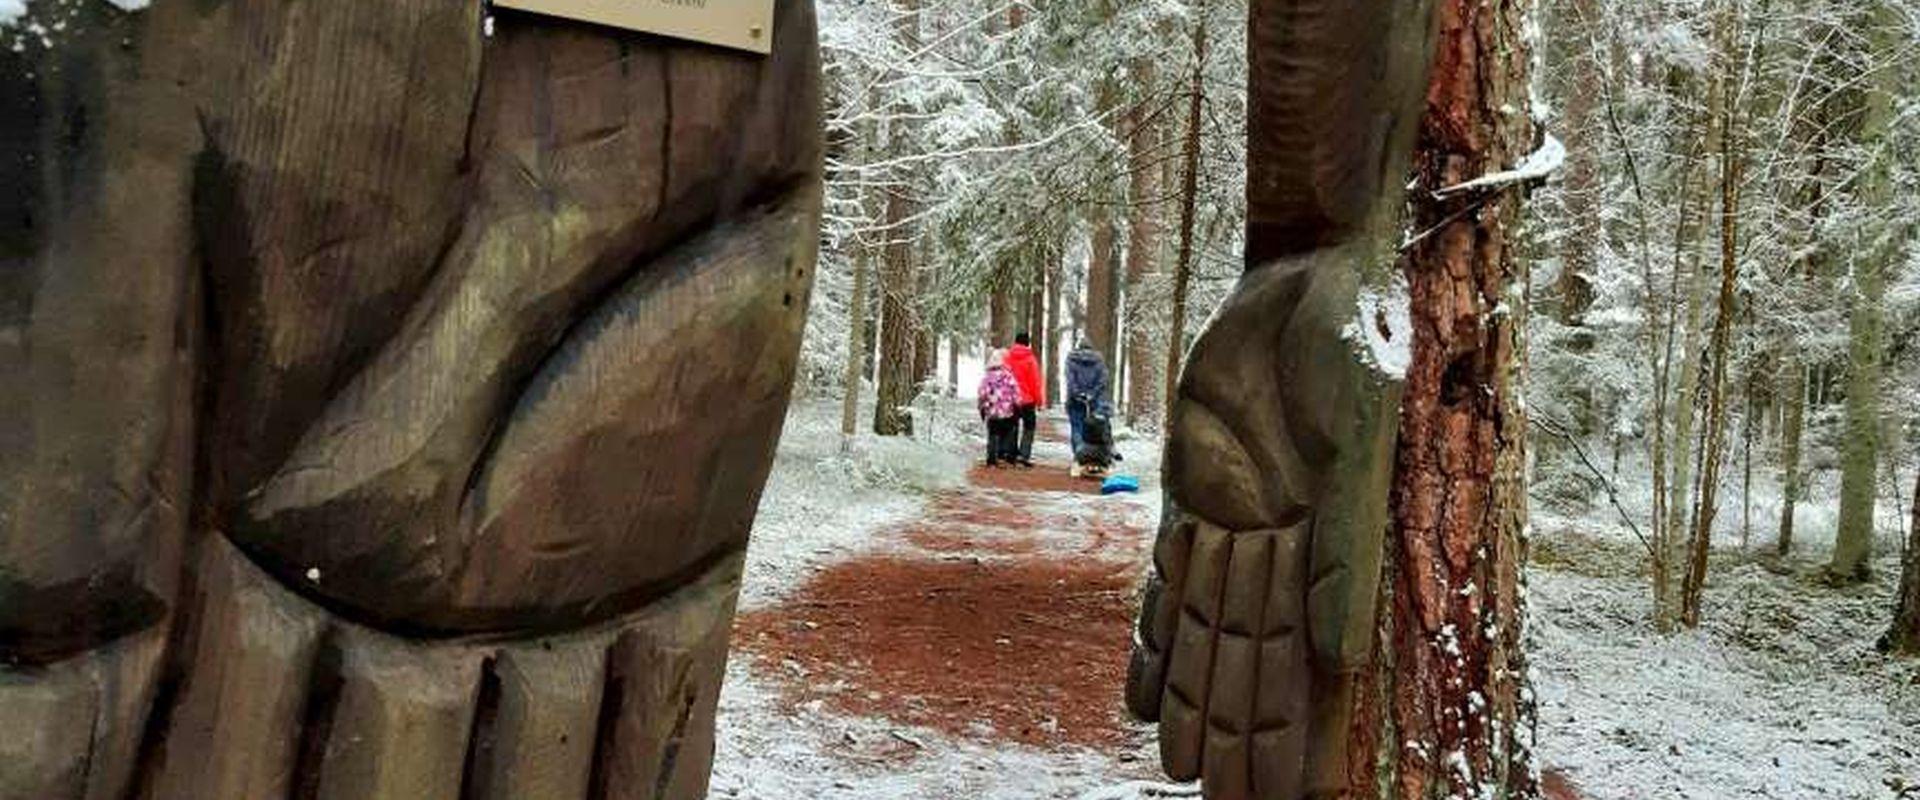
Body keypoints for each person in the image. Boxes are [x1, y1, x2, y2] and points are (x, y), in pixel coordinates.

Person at [1004, 332, 1045, 467]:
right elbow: (1035, 382)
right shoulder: (1030, 360)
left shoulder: (1007, 358)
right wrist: (1039, 401)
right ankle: (1023, 455)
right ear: (1027, 343)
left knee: (1012, 426)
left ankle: (1011, 455)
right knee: (1029, 427)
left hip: (1011, 399)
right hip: (1027, 400)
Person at [1064, 340, 1109, 460]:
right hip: (1093, 401)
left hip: (1074, 401)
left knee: (1076, 427)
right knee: (1091, 428)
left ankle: (1079, 453)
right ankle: (1090, 455)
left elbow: (1070, 380)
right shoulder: (1099, 361)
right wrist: (1092, 394)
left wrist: (1077, 393)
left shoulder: (1071, 360)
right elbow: (1103, 380)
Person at [977, 349, 1022, 467]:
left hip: (992, 412)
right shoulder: (1009, 376)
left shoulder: (987, 378)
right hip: (1007, 411)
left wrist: (981, 407)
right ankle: (1005, 456)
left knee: (993, 434)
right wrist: (1017, 405)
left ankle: (992, 459)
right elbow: (1015, 392)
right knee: (1007, 433)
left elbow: (982, 394)